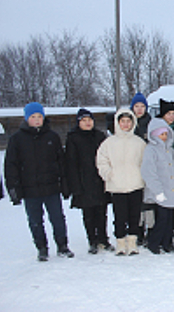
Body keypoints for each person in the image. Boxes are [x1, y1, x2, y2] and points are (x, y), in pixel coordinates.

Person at [4, 102, 74, 261]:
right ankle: (41, 247)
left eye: (39, 116)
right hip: (30, 189)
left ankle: (62, 245)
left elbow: (61, 163)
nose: (37, 120)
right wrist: (14, 189)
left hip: (51, 187)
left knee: (58, 218)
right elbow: (11, 166)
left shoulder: (52, 137)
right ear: (27, 118)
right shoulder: (17, 139)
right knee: (35, 220)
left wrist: (65, 184)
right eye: (33, 117)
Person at [96, 109, 146, 256]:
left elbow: (145, 162)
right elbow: (101, 161)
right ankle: (120, 243)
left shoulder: (139, 143)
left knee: (134, 216)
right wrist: (108, 174)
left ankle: (132, 243)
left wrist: (142, 177)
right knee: (120, 216)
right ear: (117, 123)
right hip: (117, 186)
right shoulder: (108, 143)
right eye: (122, 121)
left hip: (136, 184)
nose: (125, 124)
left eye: (128, 121)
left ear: (133, 123)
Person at [65, 108, 113, 255]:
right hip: (83, 181)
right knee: (88, 214)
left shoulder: (99, 136)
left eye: (89, 120)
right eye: (84, 120)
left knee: (101, 212)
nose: (87, 123)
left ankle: (103, 239)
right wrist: (75, 185)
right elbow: (70, 163)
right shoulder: (73, 138)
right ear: (78, 122)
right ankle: (92, 240)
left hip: (99, 180)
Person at [141, 118, 174, 255]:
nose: (164, 137)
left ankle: (167, 242)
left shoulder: (169, 150)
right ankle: (154, 242)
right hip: (160, 192)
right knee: (161, 220)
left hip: (171, 191)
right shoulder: (151, 150)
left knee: (169, 219)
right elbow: (148, 172)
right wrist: (157, 191)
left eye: (166, 134)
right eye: (161, 134)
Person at [157, 98, 174, 241]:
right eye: (168, 114)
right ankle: (162, 228)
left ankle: (172, 228)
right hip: (163, 166)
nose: (172, 116)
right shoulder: (157, 129)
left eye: (173, 113)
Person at [131, 92, 153, 246]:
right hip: (132, 168)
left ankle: (151, 230)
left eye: (142, 106)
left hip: (149, 166)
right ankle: (138, 231)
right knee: (136, 202)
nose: (139, 109)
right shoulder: (128, 124)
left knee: (150, 200)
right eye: (136, 106)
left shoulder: (151, 123)